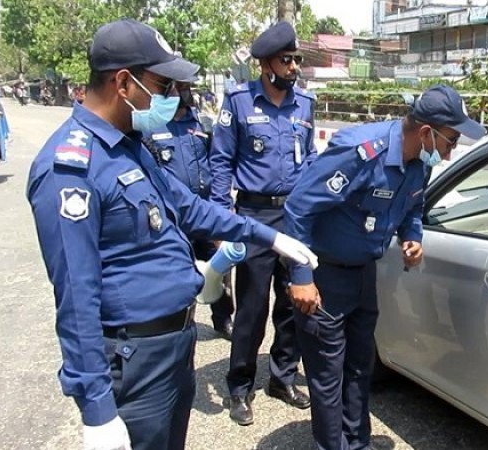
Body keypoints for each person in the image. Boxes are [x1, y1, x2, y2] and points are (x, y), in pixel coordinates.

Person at [26, 19, 317, 450]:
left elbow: (188, 207)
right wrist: (97, 411)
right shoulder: (71, 168)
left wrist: (268, 237)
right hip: (135, 359)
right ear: (124, 83)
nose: (170, 97)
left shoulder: (128, 146)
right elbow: (76, 299)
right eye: (162, 85)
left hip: (173, 348)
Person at [285, 84, 486, 450]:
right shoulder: (360, 152)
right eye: (451, 141)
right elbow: (299, 208)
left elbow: (412, 208)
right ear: (427, 133)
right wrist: (300, 277)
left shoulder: (417, 165)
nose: (451, 150)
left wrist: (413, 237)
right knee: (328, 376)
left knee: (360, 368)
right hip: (324, 277)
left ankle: (357, 442)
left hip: (363, 276)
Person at [210, 20, 317, 426]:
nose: (293, 67)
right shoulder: (238, 101)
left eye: (296, 60)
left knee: (292, 303)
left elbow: (308, 158)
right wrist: (223, 222)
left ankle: (282, 377)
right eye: (286, 60)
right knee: (252, 308)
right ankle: (240, 387)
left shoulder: (304, 104)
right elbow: (220, 162)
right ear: (265, 65)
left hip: (293, 215)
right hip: (253, 214)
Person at [143, 80, 235, 340]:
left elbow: (218, 165)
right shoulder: (152, 127)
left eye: (187, 88)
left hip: (205, 210)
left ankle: (224, 318)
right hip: (175, 215)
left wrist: (222, 205)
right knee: (179, 271)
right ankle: (182, 322)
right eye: (180, 88)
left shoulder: (203, 125)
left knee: (220, 266)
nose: (187, 93)